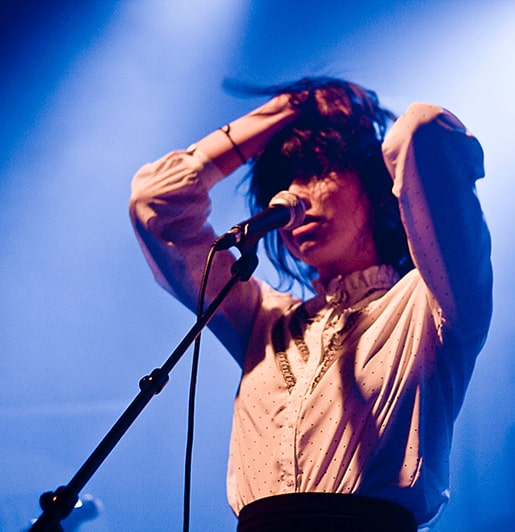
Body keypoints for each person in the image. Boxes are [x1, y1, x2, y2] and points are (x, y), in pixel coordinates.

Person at [129, 77, 493, 531]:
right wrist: (286, 108)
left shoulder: (430, 305)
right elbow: (156, 203)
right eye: (283, 183)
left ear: (376, 187)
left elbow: (423, 130)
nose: (294, 196)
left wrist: (341, 110)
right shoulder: (264, 321)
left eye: (318, 171)